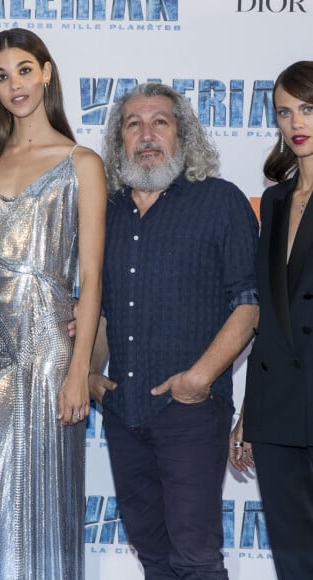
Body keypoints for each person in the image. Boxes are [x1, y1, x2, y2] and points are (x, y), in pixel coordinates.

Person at [0, 28, 106, 579]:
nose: (15, 85)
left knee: (41, 493)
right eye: (1, 76)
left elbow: (92, 276)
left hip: (48, 352)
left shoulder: (81, 163)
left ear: (47, 72)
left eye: (25, 70)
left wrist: (79, 368)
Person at [89, 82, 259, 579]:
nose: (147, 135)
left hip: (190, 413)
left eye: (160, 122)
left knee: (195, 555)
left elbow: (249, 306)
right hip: (123, 411)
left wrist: (199, 378)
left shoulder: (219, 201)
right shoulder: (106, 211)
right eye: (133, 124)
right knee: (152, 553)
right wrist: (92, 377)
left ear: (182, 135)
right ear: (118, 138)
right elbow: (100, 308)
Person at [229, 60, 313, 580]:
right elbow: (266, 314)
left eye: (307, 108)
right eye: (284, 112)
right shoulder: (276, 200)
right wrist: (248, 413)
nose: (295, 122)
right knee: (293, 556)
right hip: (279, 405)